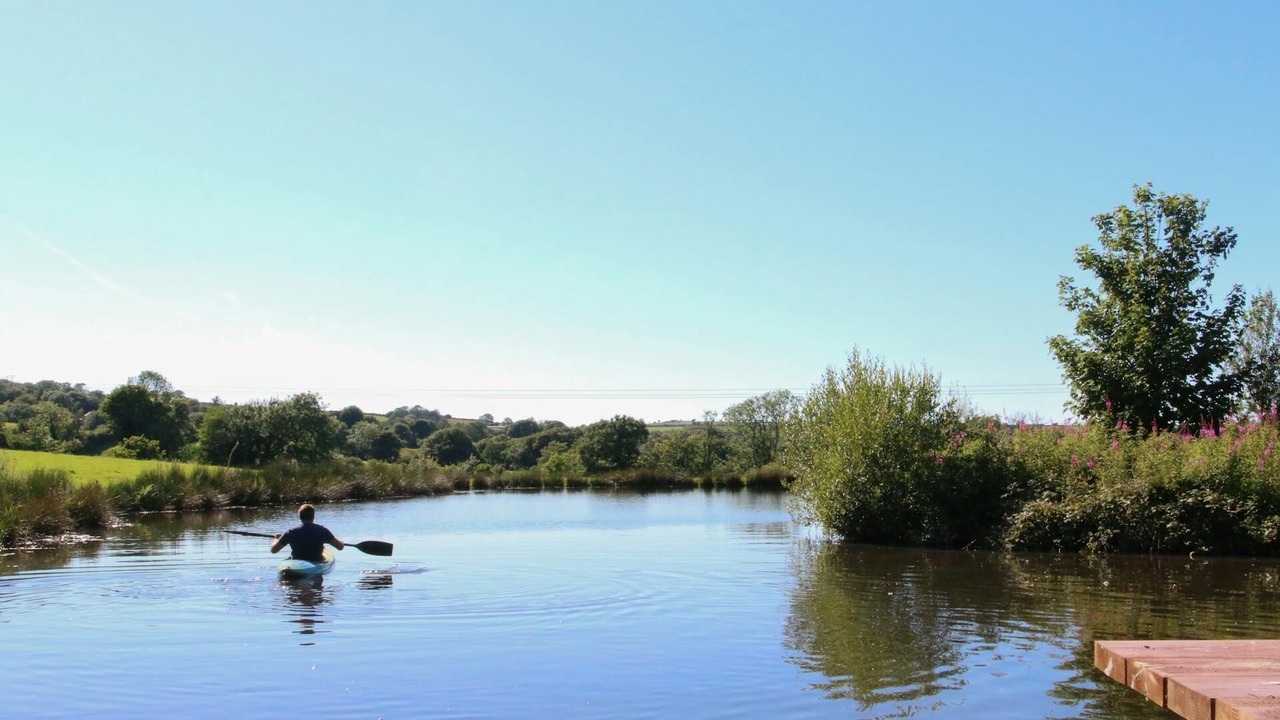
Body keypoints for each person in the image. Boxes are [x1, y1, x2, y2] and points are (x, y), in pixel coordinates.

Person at [271, 503, 345, 561]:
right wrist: (341, 542)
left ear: (300, 517)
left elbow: (274, 550)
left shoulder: (290, 532)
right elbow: (340, 547)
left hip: (297, 562)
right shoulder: (322, 531)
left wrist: (276, 538)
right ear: (313, 516)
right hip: (317, 562)